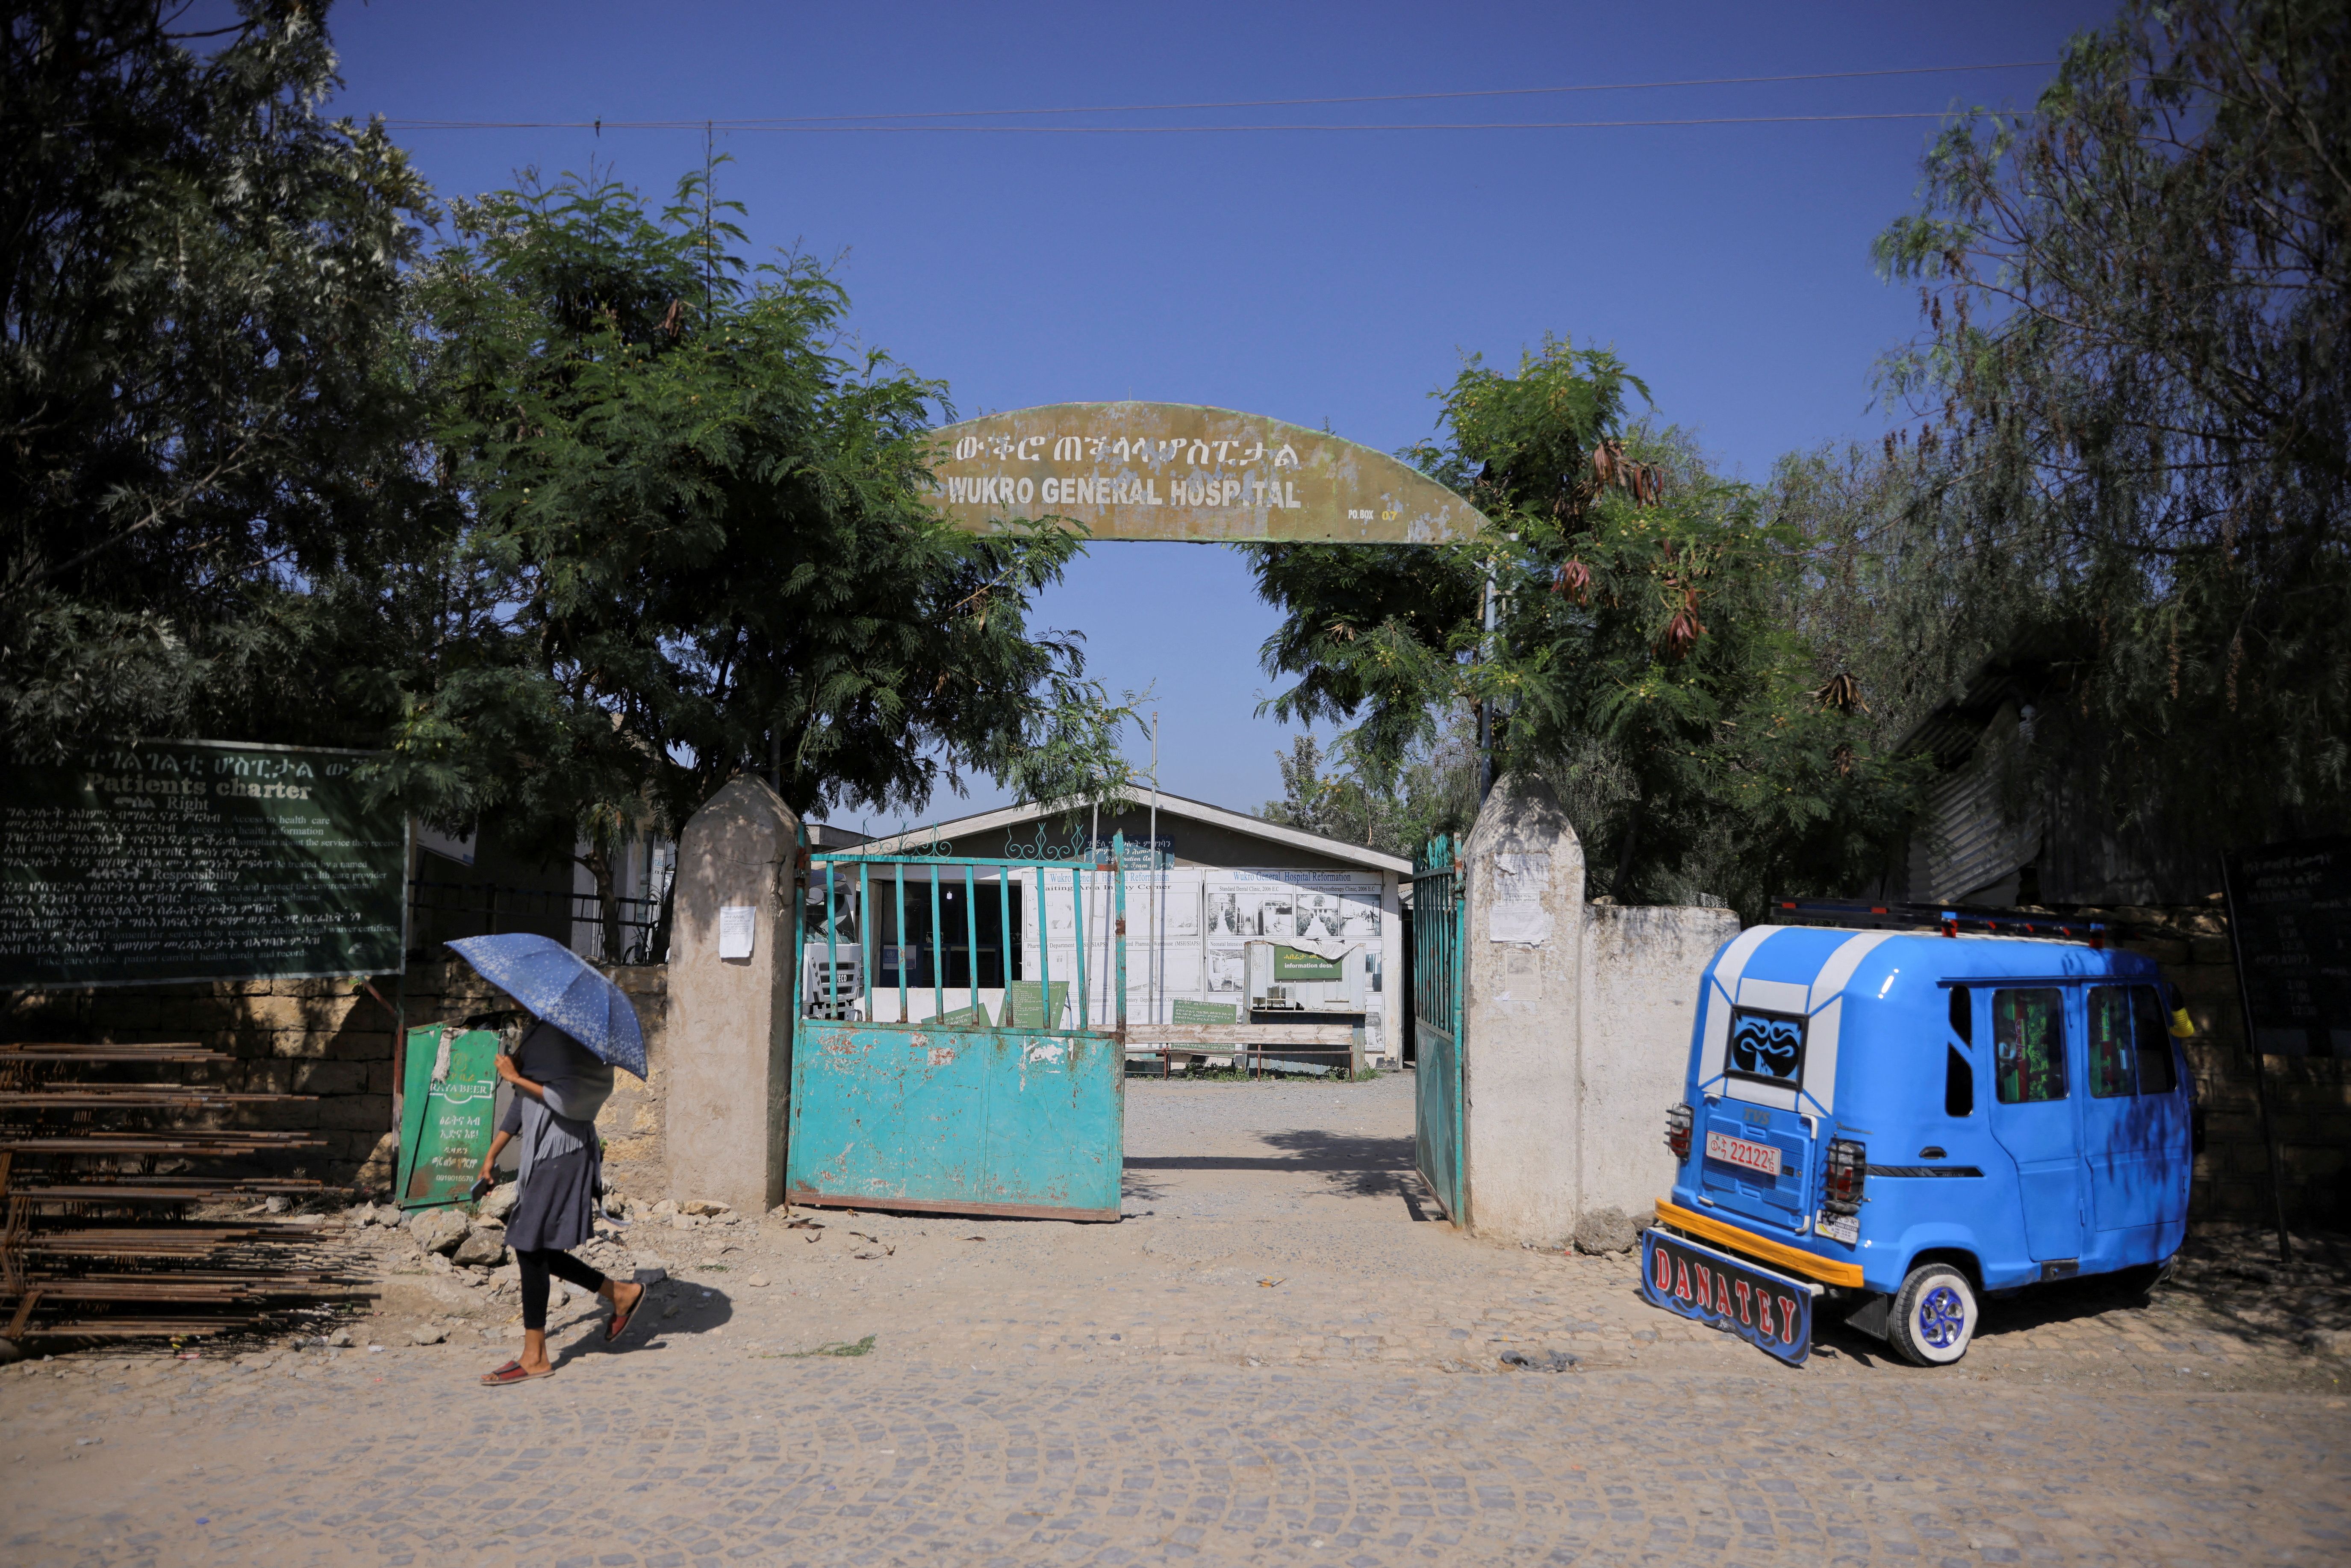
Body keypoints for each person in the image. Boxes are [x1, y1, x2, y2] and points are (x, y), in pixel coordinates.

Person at [473, 1017, 650, 1385]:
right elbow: (524, 1103)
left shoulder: (575, 1034)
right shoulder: (537, 1033)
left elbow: (574, 1100)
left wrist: (516, 1077)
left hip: (563, 1150)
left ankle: (535, 1357)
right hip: (541, 1153)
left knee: (527, 1242)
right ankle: (619, 1293)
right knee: (533, 1246)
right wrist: (493, 1153)